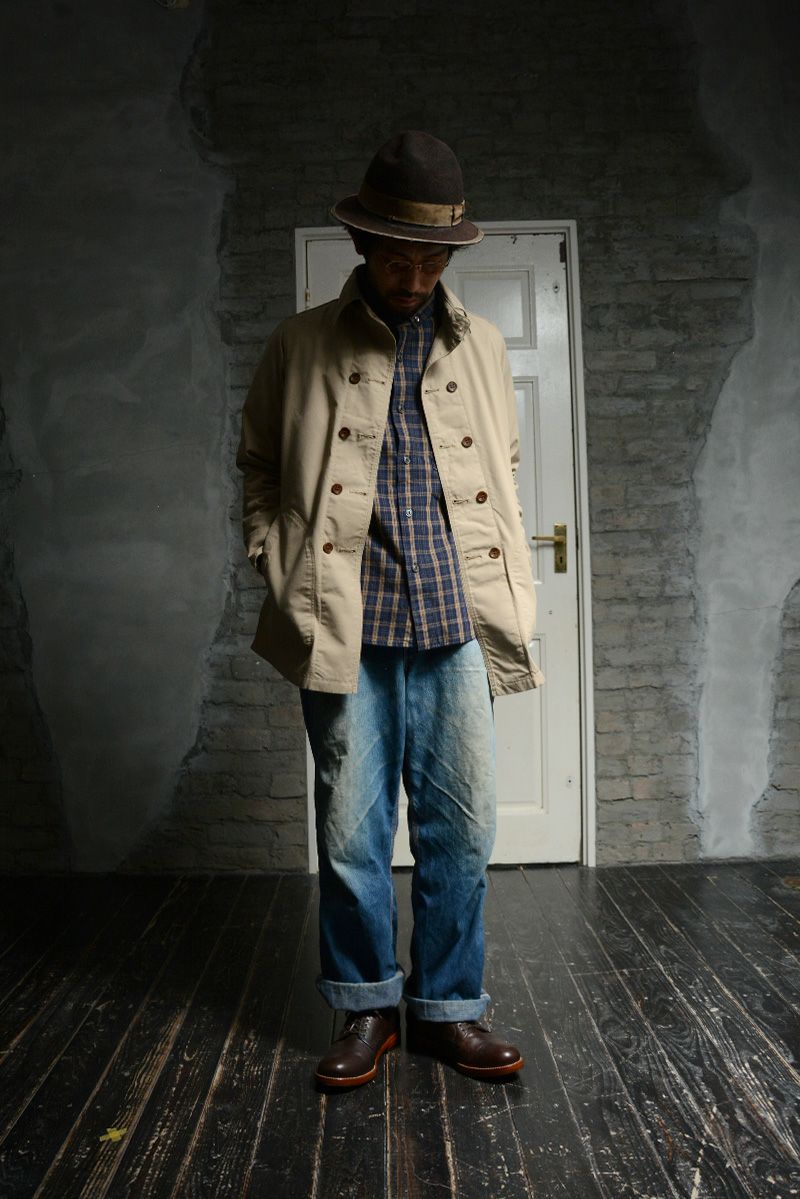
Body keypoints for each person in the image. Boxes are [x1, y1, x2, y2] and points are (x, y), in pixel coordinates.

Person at [237, 131, 544, 1088]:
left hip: (456, 623)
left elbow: (503, 465)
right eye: (399, 257)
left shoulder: (480, 345)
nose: (415, 278)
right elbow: (258, 465)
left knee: (463, 830)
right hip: (346, 625)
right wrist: (272, 553)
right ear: (363, 244)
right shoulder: (300, 344)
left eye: (433, 260)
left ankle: (450, 1010)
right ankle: (366, 1007)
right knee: (351, 833)